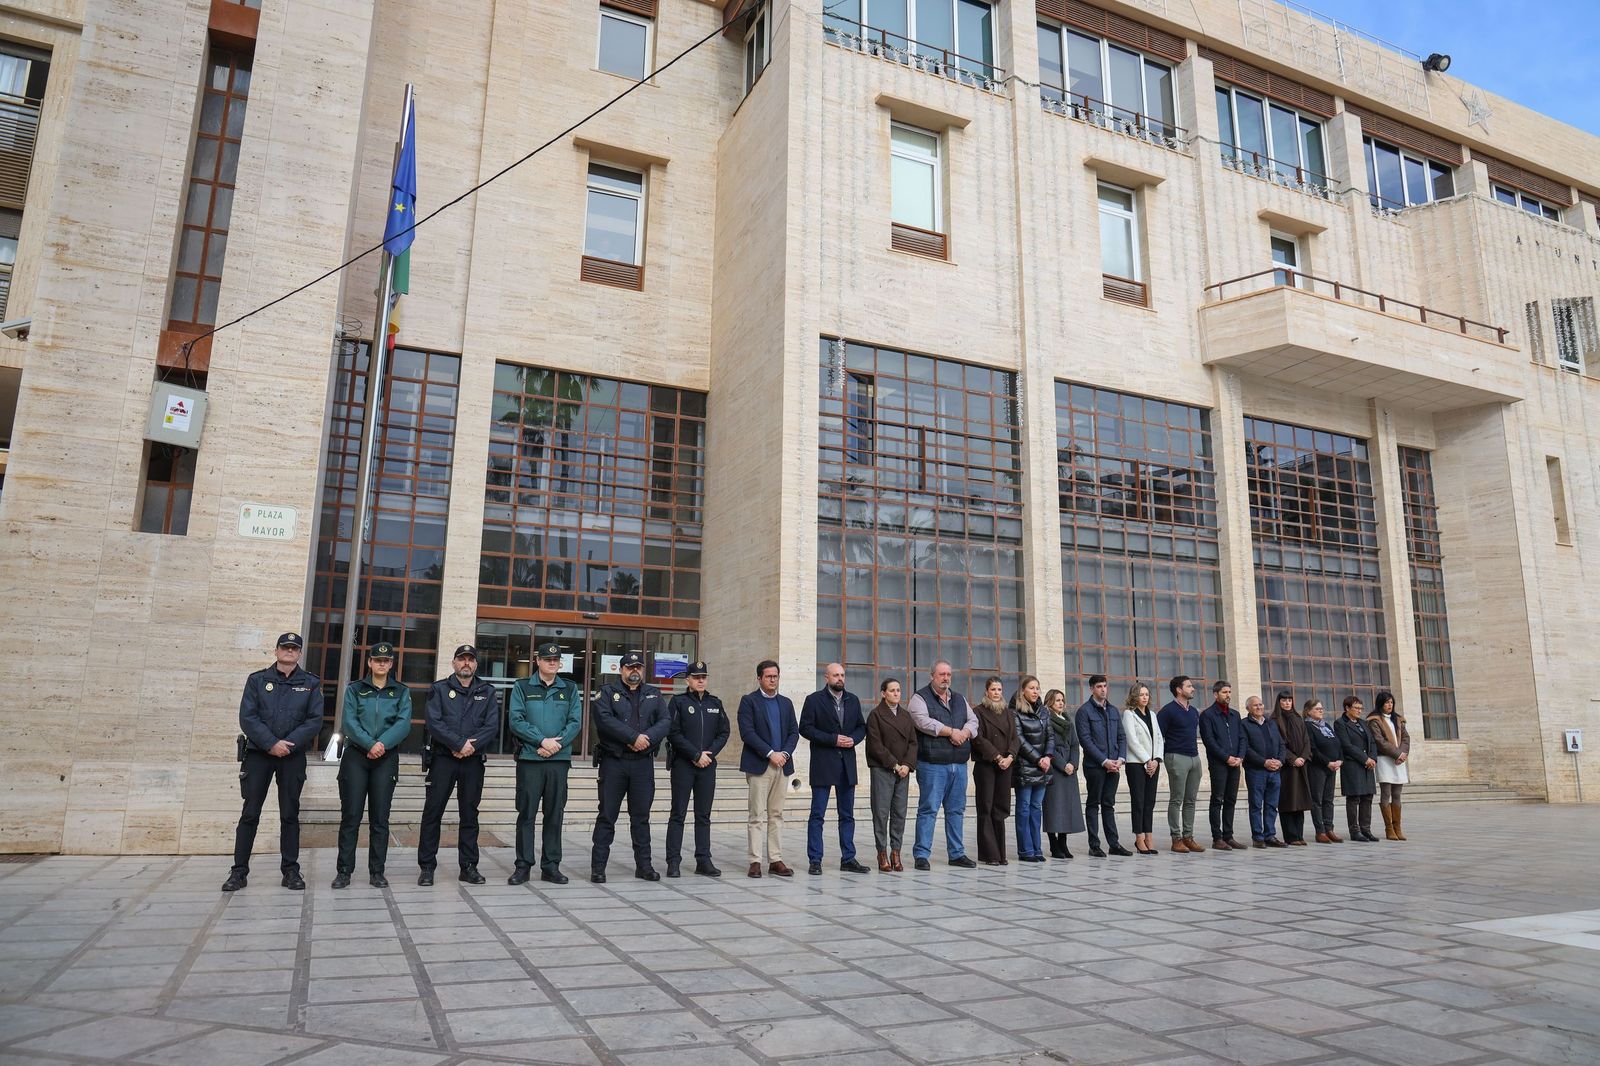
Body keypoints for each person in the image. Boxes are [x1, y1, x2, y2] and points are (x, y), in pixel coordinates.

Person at [223, 632, 324, 892]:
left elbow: (314, 720)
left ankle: (291, 871)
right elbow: (248, 717)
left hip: (292, 756)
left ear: (300, 653)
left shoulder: (311, 683)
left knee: (290, 814)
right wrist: (271, 743)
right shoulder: (257, 680)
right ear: (276, 651)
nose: (289, 651)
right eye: (285, 647)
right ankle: (239, 872)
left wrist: (287, 744)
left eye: (294, 648)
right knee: (250, 813)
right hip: (259, 755)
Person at [418, 644, 501, 886]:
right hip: (443, 759)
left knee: (469, 815)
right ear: (454, 663)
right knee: (433, 813)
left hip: (472, 761)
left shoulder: (487, 691)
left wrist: (470, 746)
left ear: (476, 664)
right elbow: (434, 722)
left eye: (470, 659)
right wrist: (458, 743)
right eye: (461, 659)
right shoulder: (439, 689)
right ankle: (427, 867)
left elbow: (491, 726)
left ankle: (468, 867)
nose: (466, 663)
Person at [333, 641, 408, 890]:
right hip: (356, 756)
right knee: (351, 816)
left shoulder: (400, 691)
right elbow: (349, 722)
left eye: (386, 660)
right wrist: (370, 744)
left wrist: (382, 744)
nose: (382, 664)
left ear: (391, 663)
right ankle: (344, 871)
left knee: (380, 819)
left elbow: (403, 723)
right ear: (369, 662)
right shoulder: (355, 689)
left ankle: (377, 872)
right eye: (377, 660)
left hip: (385, 758)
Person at [589, 650, 670, 883]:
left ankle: (644, 866)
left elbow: (665, 721)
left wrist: (647, 738)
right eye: (630, 667)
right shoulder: (606, 692)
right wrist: (633, 737)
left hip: (643, 764)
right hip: (614, 762)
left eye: (638, 667)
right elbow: (604, 720)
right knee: (607, 816)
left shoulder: (654, 694)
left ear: (643, 670)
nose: (634, 670)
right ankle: (598, 868)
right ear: (621, 669)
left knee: (641, 817)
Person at [507, 641, 582, 886]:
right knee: (526, 814)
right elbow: (516, 721)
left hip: (558, 761)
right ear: (537, 661)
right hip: (530, 759)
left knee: (554, 814)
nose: (551, 662)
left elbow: (575, 722)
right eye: (547, 659)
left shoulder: (569, 688)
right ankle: (523, 866)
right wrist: (541, 741)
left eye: (555, 659)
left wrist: (555, 745)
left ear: (560, 663)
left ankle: (551, 866)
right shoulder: (522, 687)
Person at [907, 661, 978, 871]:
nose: (946, 678)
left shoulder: (959, 699)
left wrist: (964, 732)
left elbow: (973, 720)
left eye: (948, 674)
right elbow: (922, 721)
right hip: (932, 764)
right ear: (932, 676)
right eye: (941, 674)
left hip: (959, 764)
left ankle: (957, 854)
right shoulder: (919, 698)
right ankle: (921, 855)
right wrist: (950, 731)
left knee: (956, 811)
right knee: (928, 809)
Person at [800, 663, 870, 876]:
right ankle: (815, 860)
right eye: (836, 675)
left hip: (847, 765)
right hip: (823, 763)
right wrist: (833, 739)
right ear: (826, 677)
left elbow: (861, 727)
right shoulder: (814, 700)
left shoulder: (853, 700)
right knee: (817, 815)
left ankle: (848, 858)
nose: (840, 678)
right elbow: (805, 728)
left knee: (847, 815)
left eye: (842, 675)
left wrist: (853, 739)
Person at [665, 660, 730, 878]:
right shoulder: (678, 702)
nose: (701, 680)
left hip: (707, 766)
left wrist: (709, 754)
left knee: (703, 815)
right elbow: (673, 733)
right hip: (684, 765)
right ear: (688, 680)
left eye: (704, 677)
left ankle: (703, 860)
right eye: (696, 677)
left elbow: (724, 732)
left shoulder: (715, 703)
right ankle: (673, 861)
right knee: (678, 814)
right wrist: (695, 754)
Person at [737, 659, 799, 878]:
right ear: (759, 678)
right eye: (769, 676)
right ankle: (755, 861)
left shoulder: (786, 703)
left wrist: (784, 754)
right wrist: (770, 753)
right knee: (756, 814)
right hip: (759, 765)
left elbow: (793, 732)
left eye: (775, 676)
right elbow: (747, 732)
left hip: (782, 764)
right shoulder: (749, 701)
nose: (773, 680)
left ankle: (775, 859)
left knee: (776, 814)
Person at [1075, 675, 1130, 858]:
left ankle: (1114, 844)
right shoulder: (1084, 712)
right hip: (1095, 766)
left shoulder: (1113, 711)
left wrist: (1120, 759)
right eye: (1099, 686)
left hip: (1114, 766)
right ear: (1091, 689)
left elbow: (1121, 736)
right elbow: (1086, 741)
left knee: (1109, 804)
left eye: (1105, 686)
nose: (1103, 689)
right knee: (1093, 804)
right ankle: (1094, 845)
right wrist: (1104, 761)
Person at [865, 677, 916, 871]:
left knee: (899, 813)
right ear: (883, 693)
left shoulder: (906, 716)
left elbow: (913, 743)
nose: (896, 693)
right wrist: (894, 764)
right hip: (883, 769)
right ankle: (882, 853)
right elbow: (875, 745)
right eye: (892, 690)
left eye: (898, 690)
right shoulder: (876, 715)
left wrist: (907, 765)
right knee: (881, 812)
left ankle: (896, 852)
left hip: (903, 771)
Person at [971, 677, 1019, 866]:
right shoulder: (978, 712)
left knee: (1001, 807)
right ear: (986, 692)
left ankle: (1001, 853)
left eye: (999, 689)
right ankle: (989, 854)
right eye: (993, 689)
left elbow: (1015, 738)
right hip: (987, 765)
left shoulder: (1008, 713)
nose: (997, 693)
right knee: (986, 807)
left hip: (1006, 765)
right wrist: (997, 757)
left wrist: (1010, 757)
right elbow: (978, 738)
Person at [1157, 675, 1205, 854]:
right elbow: (1158, 737)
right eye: (1189, 686)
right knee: (1176, 799)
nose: (1193, 689)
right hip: (1176, 757)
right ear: (1179, 689)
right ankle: (1176, 838)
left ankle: (1188, 837)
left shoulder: (1193, 711)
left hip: (1194, 757)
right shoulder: (1167, 711)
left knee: (1190, 800)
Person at [1010, 675, 1054, 863]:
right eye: (1031, 688)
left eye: (1037, 688)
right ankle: (1025, 850)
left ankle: (1037, 848)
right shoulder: (1015, 712)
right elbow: (1019, 740)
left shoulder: (1044, 711)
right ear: (1023, 691)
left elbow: (1050, 736)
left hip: (1043, 766)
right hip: (1025, 767)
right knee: (1024, 808)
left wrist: (1048, 756)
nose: (1035, 691)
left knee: (1036, 808)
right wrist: (1038, 759)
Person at [1199, 680, 1246, 850]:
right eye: (1224, 692)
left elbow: (1242, 737)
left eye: (1229, 692)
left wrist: (1240, 757)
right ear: (1215, 694)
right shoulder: (1207, 715)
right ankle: (1217, 838)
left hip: (1235, 763)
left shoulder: (1235, 715)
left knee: (1231, 800)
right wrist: (1226, 758)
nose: (1228, 695)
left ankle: (1228, 836)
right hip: (1219, 763)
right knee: (1217, 799)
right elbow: (1209, 741)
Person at [1120, 682, 1163, 856]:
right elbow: (1132, 740)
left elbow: (1159, 738)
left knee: (1150, 801)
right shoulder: (1129, 714)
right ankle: (1139, 838)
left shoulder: (1152, 714)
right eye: (1141, 694)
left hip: (1153, 764)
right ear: (1134, 696)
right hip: (1136, 764)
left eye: (1146, 694)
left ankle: (1149, 837)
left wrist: (1156, 760)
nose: (1144, 697)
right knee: (1139, 801)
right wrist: (1147, 760)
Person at [1042, 688, 1084, 859]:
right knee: (1054, 807)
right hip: (1055, 768)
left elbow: (1075, 744)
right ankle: (1054, 844)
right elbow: (1048, 745)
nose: (1061, 703)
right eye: (1057, 700)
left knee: (1067, 806)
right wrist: (1062, 764)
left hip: (1069, 769)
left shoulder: (1067, 720)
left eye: (1062, 700)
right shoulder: (1046, 719)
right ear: (1049, 702)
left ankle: (1063, 843)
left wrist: (1073, 763)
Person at [1241, 695, 1286, 847]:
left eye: (1260, 704)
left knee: (1272, 805)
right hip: (1256, 771)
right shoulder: (1244, 724)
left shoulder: (1271, 723)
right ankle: (1258, 837)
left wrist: (1280, 761)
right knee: (1256, 805)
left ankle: (1270, 836)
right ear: (1248, 708)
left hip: (1275, 771)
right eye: (1255, 705)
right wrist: (1264, 762)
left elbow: (1281, 744)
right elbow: (1246, 748)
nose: (1259, 707)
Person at [1334, 696, 1379, 842]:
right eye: (1356, 708)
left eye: (1361, 708)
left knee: (1368, 797)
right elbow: (1346, 746)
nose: (1359, 711)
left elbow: (1372, 742)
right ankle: (1355, 831)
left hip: (1367, 765)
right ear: (1347, 708)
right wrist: (1365, 759)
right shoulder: (1340, 723)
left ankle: (1366, 829)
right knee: (1354, 798)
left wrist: (1373, 759)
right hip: (1352, 764)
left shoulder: (1363, 723)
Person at [1367, 691, 1411, 841]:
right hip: (1385, 760)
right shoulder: (1374, 720)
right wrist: (1397, 754)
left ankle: (1398, 828)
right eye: (1386, 702)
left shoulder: (1398, 719)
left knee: (1397, 794)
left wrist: (1403, 754)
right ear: (1380, 703)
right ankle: (1389, 829)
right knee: (1386, 793)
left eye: (1391, 702)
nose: (1389, 705)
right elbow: (1379, 741)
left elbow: (1406, 738)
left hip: (1399, 760)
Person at [1271, 691, 1312, 846]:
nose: (1287, 703)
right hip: (1287, 768)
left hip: (1301, 766)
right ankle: (1290, 836)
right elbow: (1278, 743)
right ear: (1279, 702)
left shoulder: (1298, 718)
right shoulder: (1274, 720)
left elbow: (1307, 741)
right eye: (1284, 700)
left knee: (1300, 802)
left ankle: (1299, 835)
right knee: (1288, 801)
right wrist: (1292, 759)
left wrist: (1303, 757)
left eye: (1289, 700)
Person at [1303, 699, 1343, 843]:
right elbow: (1313, 749)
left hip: (1332, 767)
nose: (1321, 711)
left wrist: (1340, 760)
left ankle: (1329, 829)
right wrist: (1327, 762)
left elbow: (1337, 744)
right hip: (1318, 768)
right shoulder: (1307, 726)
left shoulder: (1326, 725)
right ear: (1308, 712)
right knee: (1317, 800)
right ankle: (1320, 831)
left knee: (1328, 800)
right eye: (1317, 709)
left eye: (1321, 708)